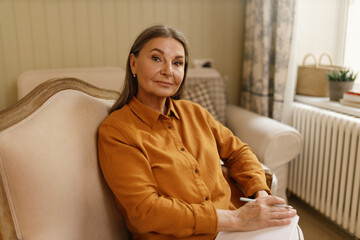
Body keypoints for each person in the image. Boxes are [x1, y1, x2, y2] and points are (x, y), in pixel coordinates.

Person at [97, 25, 297, 240]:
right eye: (156, 58)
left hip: (232, 226)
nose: (168, 71)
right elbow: (146, 210)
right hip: (187, 235)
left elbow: (238, 152)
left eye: (177, 63)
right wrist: (237, 219)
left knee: (290, 226)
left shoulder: (195, 112)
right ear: (133, 64)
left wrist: (260, 193)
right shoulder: (116, 131)